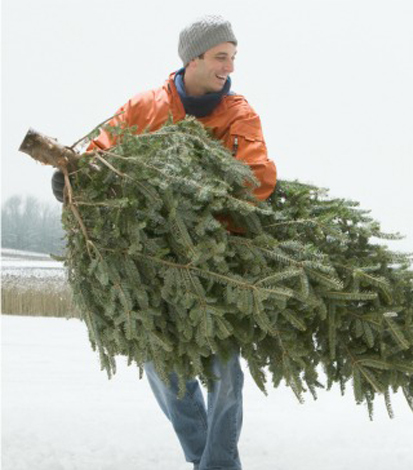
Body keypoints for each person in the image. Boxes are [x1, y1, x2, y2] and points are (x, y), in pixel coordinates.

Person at [51, 14, 276, 470]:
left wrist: (206, 200)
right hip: (149, 262)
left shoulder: (239, 113)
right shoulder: (144, 105)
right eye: (219, 57)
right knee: (163, 366)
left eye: (232, 59)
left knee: (225, 372)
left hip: (215, 260)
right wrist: (70, 177)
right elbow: (102, 151)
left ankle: (217, 465)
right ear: (192, 58)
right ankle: (203, 459)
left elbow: (255, 175)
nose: (227, 68)